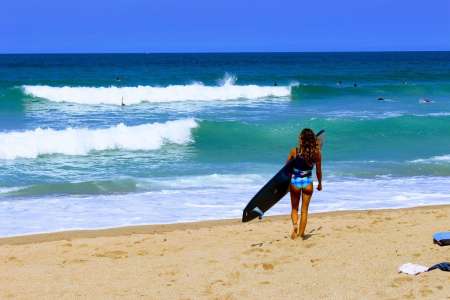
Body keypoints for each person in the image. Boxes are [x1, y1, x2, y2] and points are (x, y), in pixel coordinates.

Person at [286, 128, 322, 240]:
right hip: (308, 183)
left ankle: (295, 226)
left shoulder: (294, 151)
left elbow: (286, 169)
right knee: (304, 210)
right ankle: (301, 235)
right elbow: (318, 171)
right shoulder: (317, 153)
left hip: (295, 182)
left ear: (301, 139)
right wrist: (320, 183)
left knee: (294, 208)